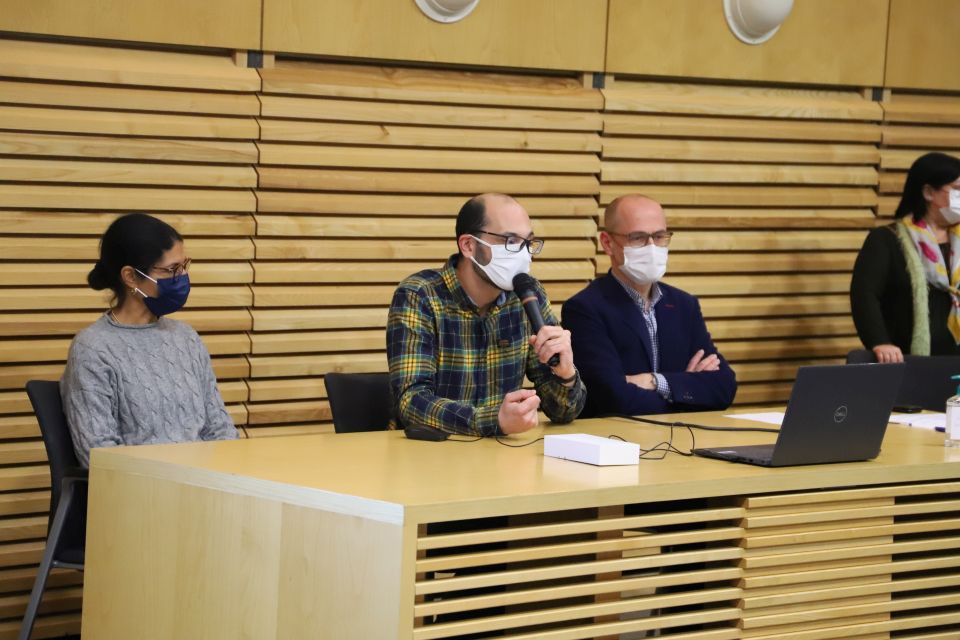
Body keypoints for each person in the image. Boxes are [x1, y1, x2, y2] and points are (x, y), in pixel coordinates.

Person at [387, 193, 586, 436]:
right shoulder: (420, 295)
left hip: (504, 459)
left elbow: (564, 412)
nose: (523, 253)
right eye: (511, 240)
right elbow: (411, 402)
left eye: (528, 242)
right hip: (433, 458)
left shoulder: (529, 296)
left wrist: (565, 374)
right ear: (469, 245)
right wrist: (494, 421)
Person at [61, 213, 237, 467]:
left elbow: (221, 430)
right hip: (141, 494)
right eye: (171, 270)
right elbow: (98, 454)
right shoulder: (93, 349)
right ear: (131, 277)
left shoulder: (186, 338)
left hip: (202, 489)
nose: (182, 277)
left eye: (184, 266)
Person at [561, 194, 737, 417]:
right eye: (638, 237)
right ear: (607, 243)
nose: (652, 247)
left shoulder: (684, 305)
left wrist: (654, 381)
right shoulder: (585, 309)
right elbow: (614, 399)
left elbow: (724, 387)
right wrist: (686, 389)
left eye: (660, 236)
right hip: (615, 442)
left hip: (680, 440)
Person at [851, 152, 960, 363]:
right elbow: (865, 295)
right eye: (957, 190)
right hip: (908, 360)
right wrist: (879, 341)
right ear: (928, 192)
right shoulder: (886, 240)